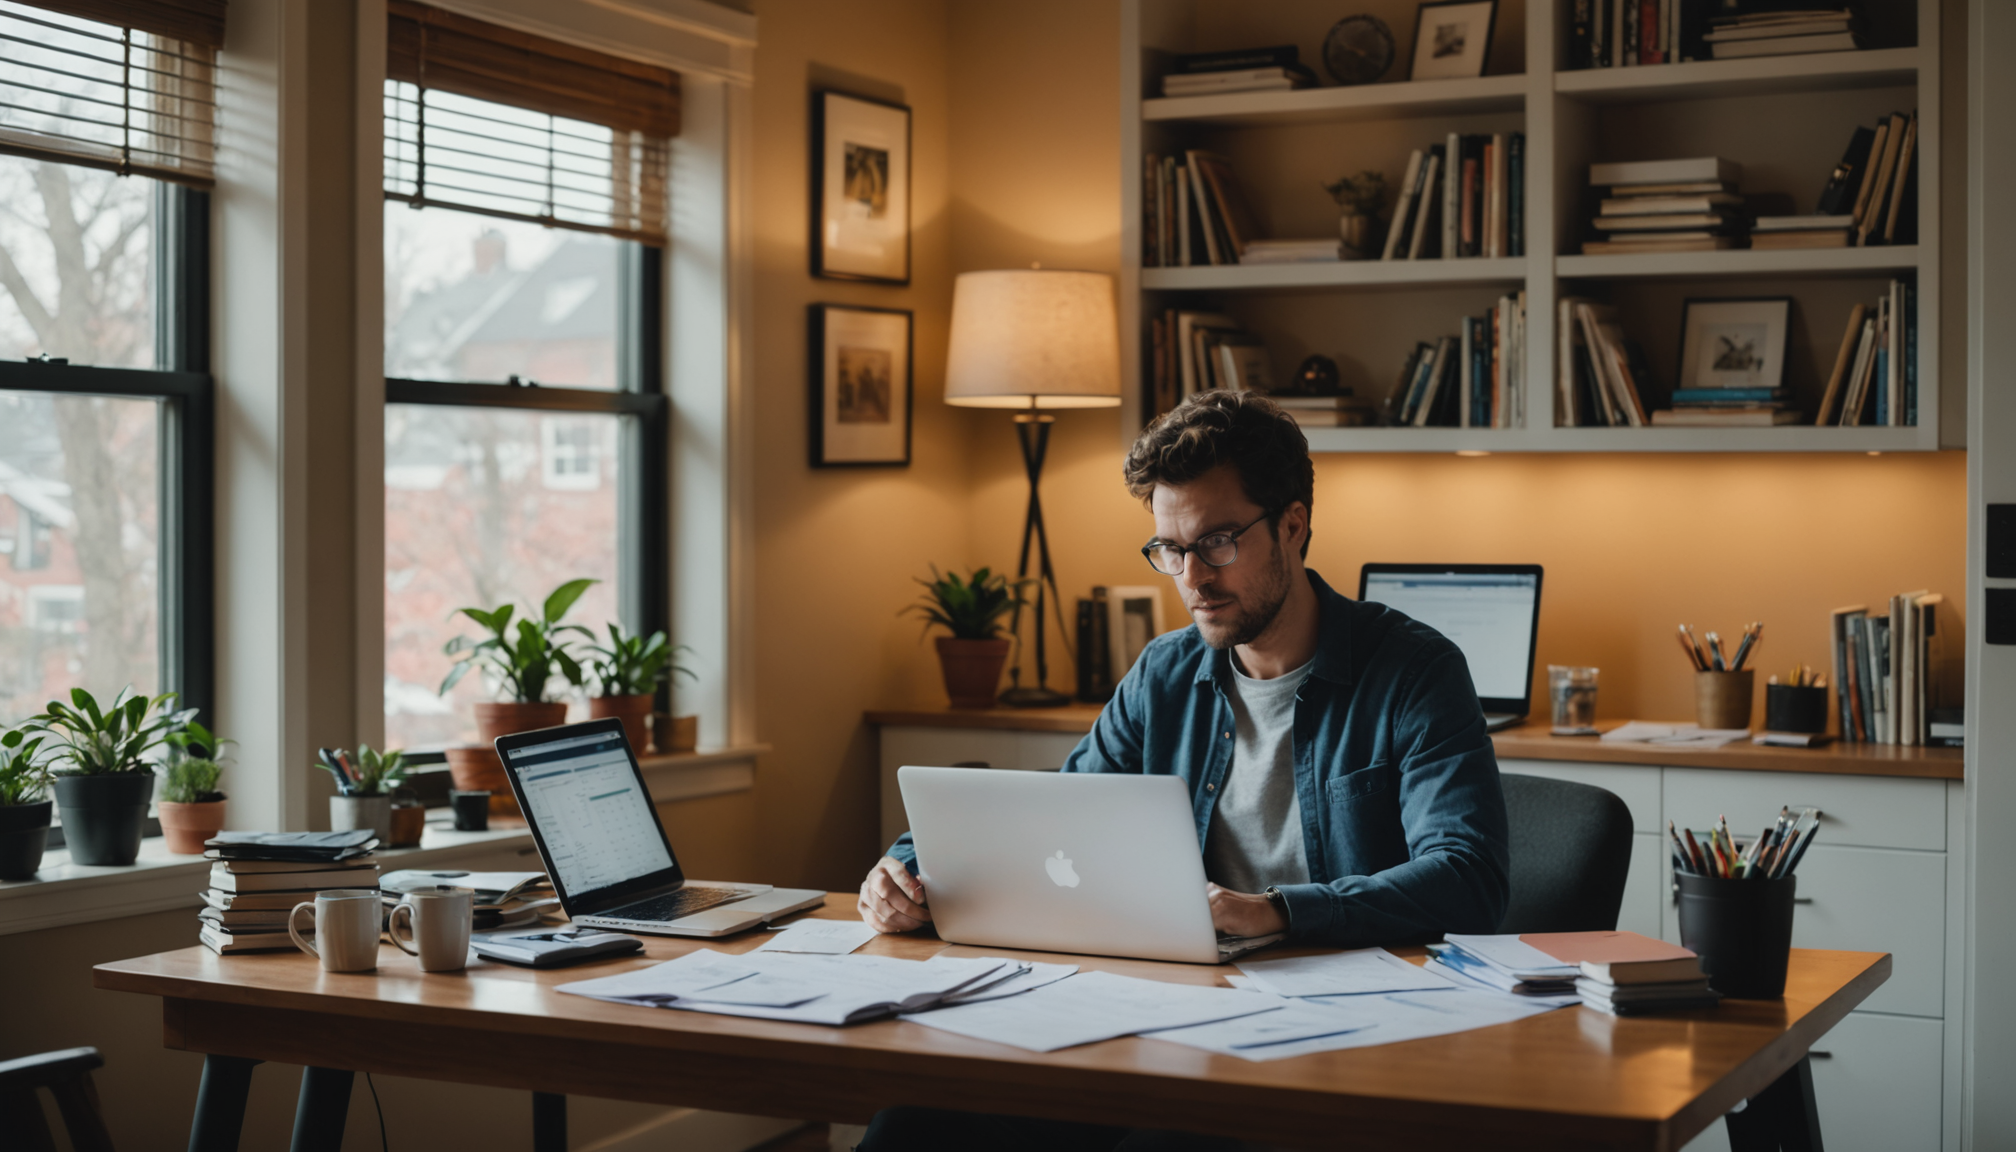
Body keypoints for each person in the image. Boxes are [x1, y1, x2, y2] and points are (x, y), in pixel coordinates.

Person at [855, 390, 1510, 1152]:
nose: (1192, 577)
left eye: (1219, 542)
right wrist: (906, 867)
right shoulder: (1165, 674)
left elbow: (1469, 877)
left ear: (1293, 526)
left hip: (1340, 1039)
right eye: (1169, 549)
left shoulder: (1415, 670)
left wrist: (1275, 910)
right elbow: (1049, 818)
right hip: (1166, 1019)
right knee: (914, 1123)